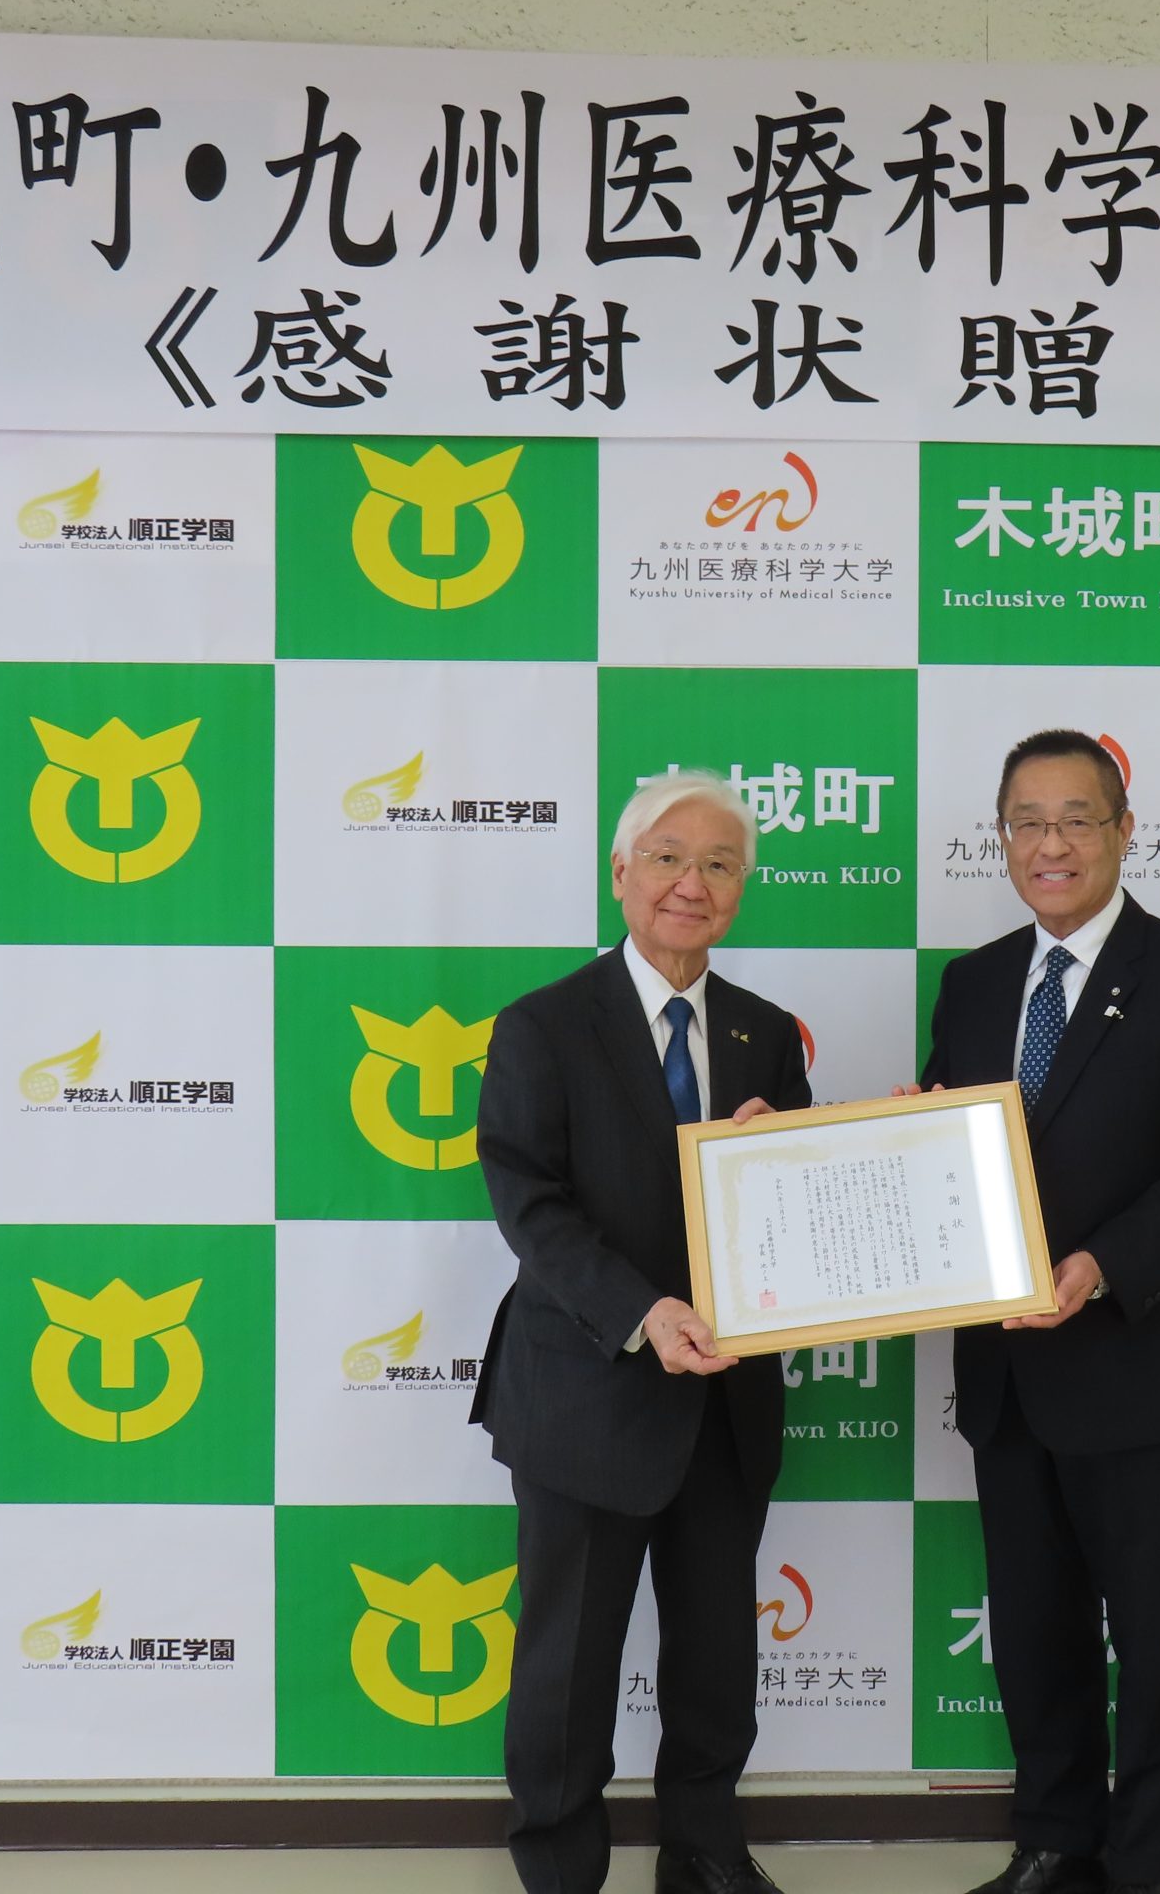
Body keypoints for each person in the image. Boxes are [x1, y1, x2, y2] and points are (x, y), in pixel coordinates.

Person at [916, 729, 1160, 1894]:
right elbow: (949, 1153)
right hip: (1006, 1374)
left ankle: (1145, 1861)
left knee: (1157, 1634)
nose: (1050, 843)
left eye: (1076, 818)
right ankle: (1054, 1839)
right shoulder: (972, 984)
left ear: (1124, 832)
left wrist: (1098, 1266)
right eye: (1026, 821)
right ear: (1000, 839)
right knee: (1033, 1625)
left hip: (1134, 1360)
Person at [474, 770, 811, 1894]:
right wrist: (640, 1313)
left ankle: (705, 1852)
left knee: (717, 1657)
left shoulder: (765, 1033)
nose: (691, 884)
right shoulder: (542, 1025)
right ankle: (560, 1868)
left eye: (719, 864)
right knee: (568, 1667)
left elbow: (791, 1210)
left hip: (724, 1396)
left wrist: (794, 1151)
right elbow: (531, 1206)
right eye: (667, 857)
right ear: (620, 873)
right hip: (587, 1391)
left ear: (742, 888)